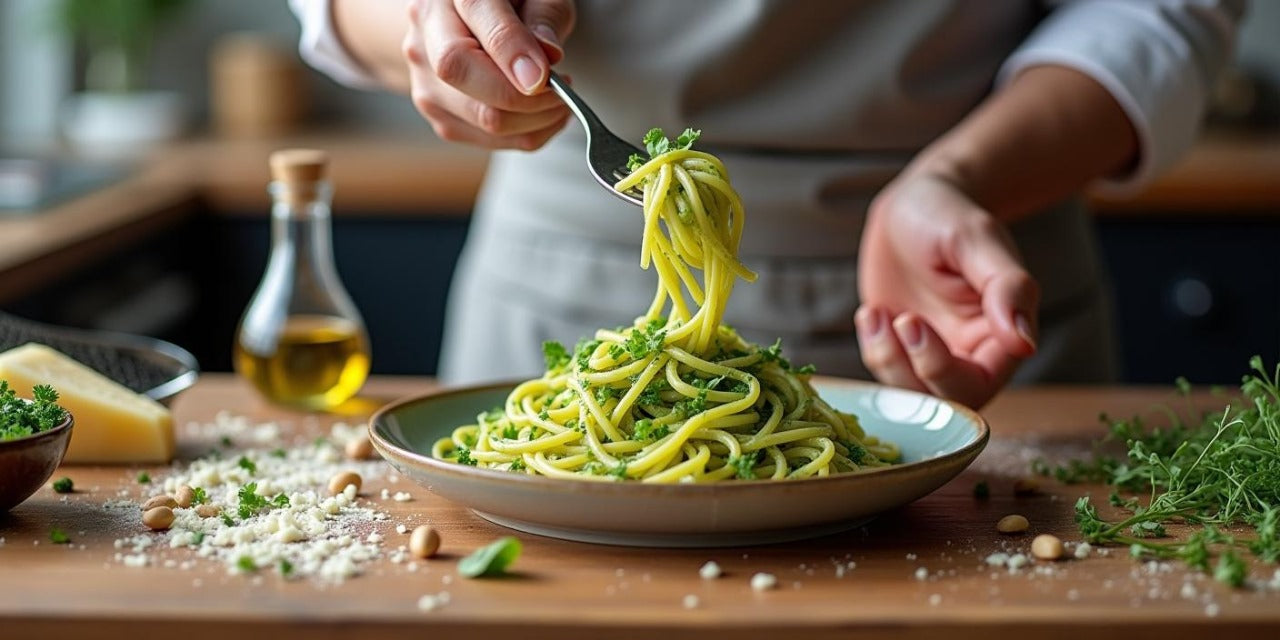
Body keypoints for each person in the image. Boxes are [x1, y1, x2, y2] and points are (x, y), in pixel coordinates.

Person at [289, 0, 1242, 408]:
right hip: (560, 290)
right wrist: (425, 26)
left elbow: (1160, 11)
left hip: (970, 267)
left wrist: (964, 177)